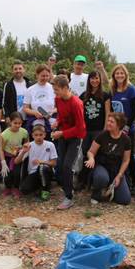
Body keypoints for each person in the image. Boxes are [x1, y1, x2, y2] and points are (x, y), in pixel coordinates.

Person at [51, 75, 86, 210]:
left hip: (76, 137)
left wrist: (62, 133)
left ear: (66, 88)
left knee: (67, 166)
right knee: (61, 165)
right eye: (54, 91)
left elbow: (80, 128)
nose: (55, 93)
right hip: (63, 136)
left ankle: (69, 197)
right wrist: (57, 122)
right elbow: (61, 115)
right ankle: (67, 191)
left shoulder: (76, 103)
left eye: (57, 90)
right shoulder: (58, 99)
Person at [85, 112, 132, 205]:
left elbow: (126, 160)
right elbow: (90, 151)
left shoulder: (126, 139)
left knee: (124, 200)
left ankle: (110, 190)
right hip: (102, 166)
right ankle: (96, 193)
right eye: (108, 121)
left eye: (111, 122)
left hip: (116, 169)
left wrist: (119, 176)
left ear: (119, 125)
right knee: (101, 178)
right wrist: (91, 159)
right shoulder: (102, 135)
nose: (108, 123)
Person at [109, 64, 135, 189]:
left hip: (128, 129)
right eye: (117, 73)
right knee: (117, 155)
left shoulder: (131, 89)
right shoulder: (112, 90)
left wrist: (127, 126)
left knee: (129, 156)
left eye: (122, 73)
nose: (119, 75)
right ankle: (122, 181)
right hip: (115, 129)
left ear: (126, 75)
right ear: (114, 76)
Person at [79, 71, 111, 188]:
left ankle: (95, 179)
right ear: (89, 80)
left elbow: (108, 113)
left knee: (97, 154)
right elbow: (80, 113)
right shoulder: (84, 95)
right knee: (84, 153)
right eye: (92, 79)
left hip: (99, 130)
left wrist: (105, 129)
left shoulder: (105, 95)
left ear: (100, 79)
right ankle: (83, 180)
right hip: (86, 130)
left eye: (96, 78)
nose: (94, 81)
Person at [16, 124, 57, 201]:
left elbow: (54, 163)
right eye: (36, 135)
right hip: (33, 173)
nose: (38, 137)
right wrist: (23, 152)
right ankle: (40, 186)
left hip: (47, 171)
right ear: (32, 135)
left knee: (41, 167)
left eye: (41, 135)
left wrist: (42, 162)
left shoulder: (50, 145)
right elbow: (16, 162)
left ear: (45, 135)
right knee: (24, 189)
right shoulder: (29, 145)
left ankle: (45, 190)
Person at [0, 111, 29, 198]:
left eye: (20, 123)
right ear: (10, 122)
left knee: (17, 172)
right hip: (7, 156)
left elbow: (26, 143)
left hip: (18, 156)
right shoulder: (5, 134)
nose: (18, 125)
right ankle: (7, 187)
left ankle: (15, 188)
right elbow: (1, 149)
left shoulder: (24, 132)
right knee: (7, 173)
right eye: (15, 123)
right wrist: (3, 162)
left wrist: (23, 150)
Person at [23, 64, 57, 133]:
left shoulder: (54, 88)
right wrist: (35, 113)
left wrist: (52, 112)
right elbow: (25, 108)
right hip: (36, 121)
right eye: (43, 76)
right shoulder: (30, 89)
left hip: (51, 120)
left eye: (47, 76)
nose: (45, 78)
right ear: (37, 75)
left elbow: (58, 107)